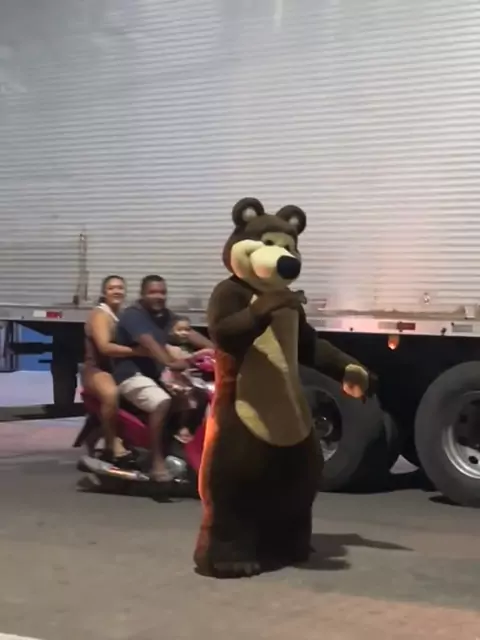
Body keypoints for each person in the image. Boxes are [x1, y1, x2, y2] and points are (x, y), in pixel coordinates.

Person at [113, 275, 194, 482]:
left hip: (154, 376)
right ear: (142, 294)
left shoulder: (164, 315)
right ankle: (157, 461)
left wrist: (218, 351)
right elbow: (148, 342)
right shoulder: (133, 315)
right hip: (131, 375)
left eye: (162, 292)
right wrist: (169, 363)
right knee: (161, 402)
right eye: (153, 292)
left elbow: (188, 333)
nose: (159, 296)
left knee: (196, 396)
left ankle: (180, 447)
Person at [82, 275, 143, 466]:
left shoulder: (122, 315)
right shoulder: (100, 315)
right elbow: (105, 347)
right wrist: (137, 351)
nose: (116, 291)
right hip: (96, 370)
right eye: (111, 288)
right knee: (111, 394)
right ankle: (111, 444)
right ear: (104, 293)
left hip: (118, 368)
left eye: (120, 288)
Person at [162, 316, 214, 444]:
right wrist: (199, 355)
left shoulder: (186, 346)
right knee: (187, 396)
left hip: (187, 378)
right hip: (173, 379)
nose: (184, 333)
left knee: (204, 395)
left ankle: (203, 427)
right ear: (170, 331)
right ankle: (182, 427)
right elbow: (181, 360)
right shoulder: (169, 347)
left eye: (187, 330)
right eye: (180, 330)